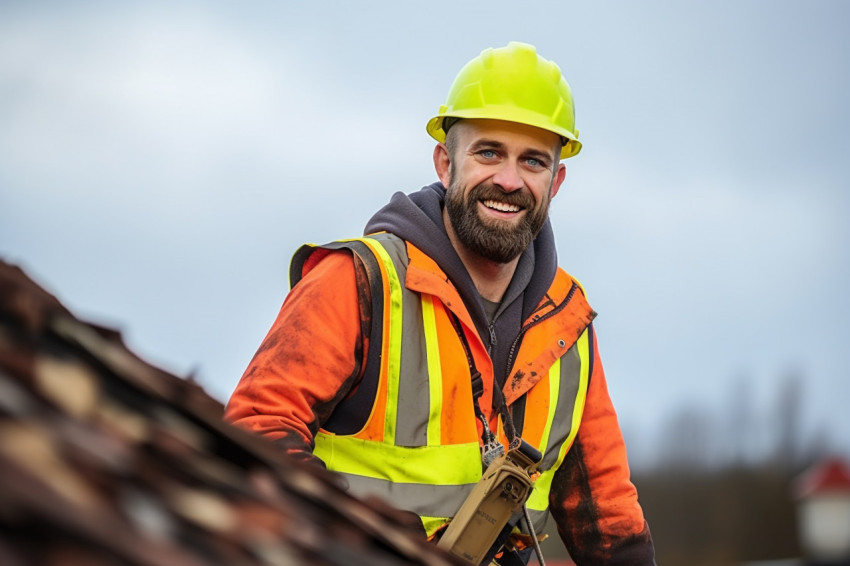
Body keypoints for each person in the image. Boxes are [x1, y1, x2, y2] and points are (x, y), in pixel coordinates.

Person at [225, 42, 656, 565]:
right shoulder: (359, 282)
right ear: (445, 164)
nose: (509, 179)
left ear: (556, 182)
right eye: (488, 152)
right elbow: (257, 433)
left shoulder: (568, 321)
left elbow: (609, 520)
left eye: (533, 161)